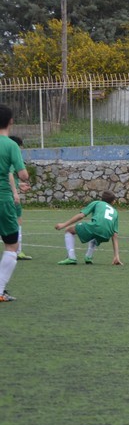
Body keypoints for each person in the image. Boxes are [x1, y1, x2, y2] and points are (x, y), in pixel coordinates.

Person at [0, 105, 31, 302]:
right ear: (11, 121)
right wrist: (23, 179)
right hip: (3, 200)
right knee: (11, 245)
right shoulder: (11, 145)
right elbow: (23, 174)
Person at [55, 190, 123, 266]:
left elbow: (81, 216)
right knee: (95, 235)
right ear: (113, 202)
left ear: (102, 198)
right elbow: (115, 235)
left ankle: (71, 258)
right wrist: (116, 256)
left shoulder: (97, 203)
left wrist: (63, 225)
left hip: (96, 227)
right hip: (106, 234)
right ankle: (88, 257)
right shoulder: (115, 212)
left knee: (69, 230)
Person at [8, 135, 31, 259]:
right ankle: (18, 251)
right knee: (17, 220)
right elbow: (9, 174)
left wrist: (18, 184)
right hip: (7, 195)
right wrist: (15, 193)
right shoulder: (10, 156)